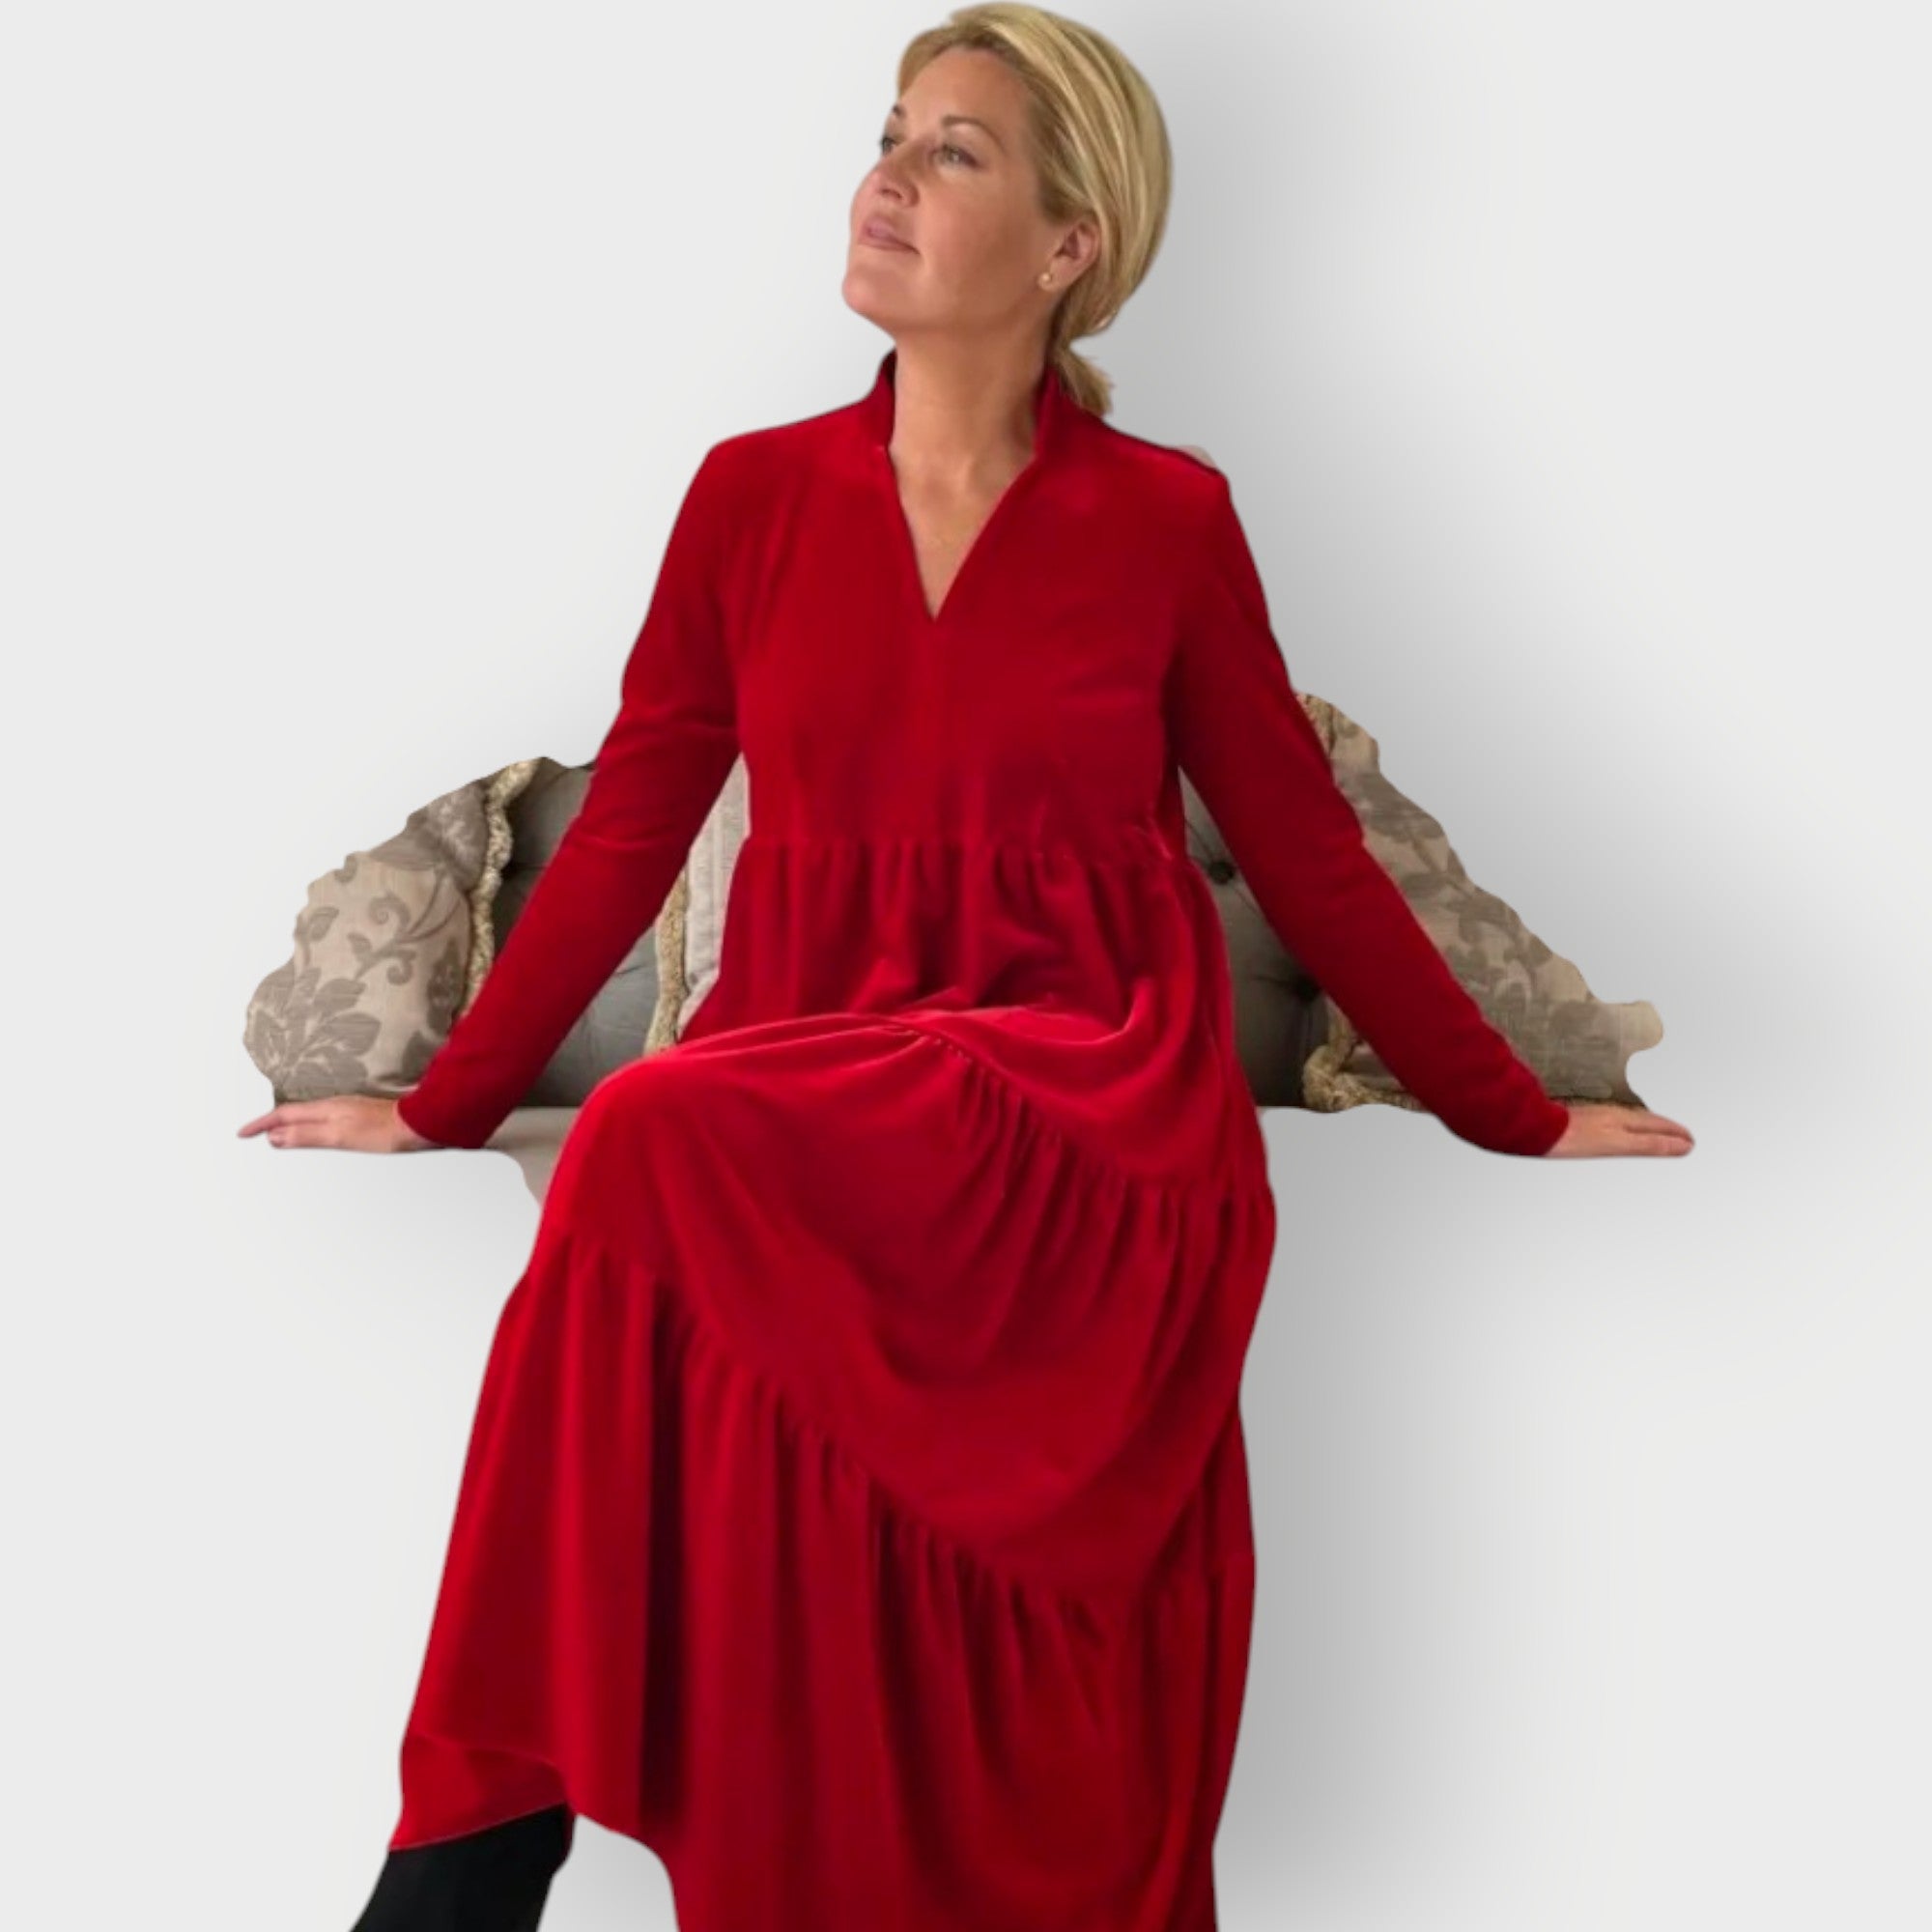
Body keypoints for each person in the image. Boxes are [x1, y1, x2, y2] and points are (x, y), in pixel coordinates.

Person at [240, 8, 1694, 1927]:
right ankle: (480, 1823)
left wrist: (1517, 1112)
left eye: (955, 151)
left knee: (649, 1134)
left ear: (1070, 242)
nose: (887, 179)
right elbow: (627, 828)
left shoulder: (1167, 521)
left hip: (1084, 1087)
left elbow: (1305, 854)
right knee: (651, 1150)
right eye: (890, 134)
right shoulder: (751, 497)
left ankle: (461, 1869)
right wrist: (439, 1108)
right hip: (817, 1066)